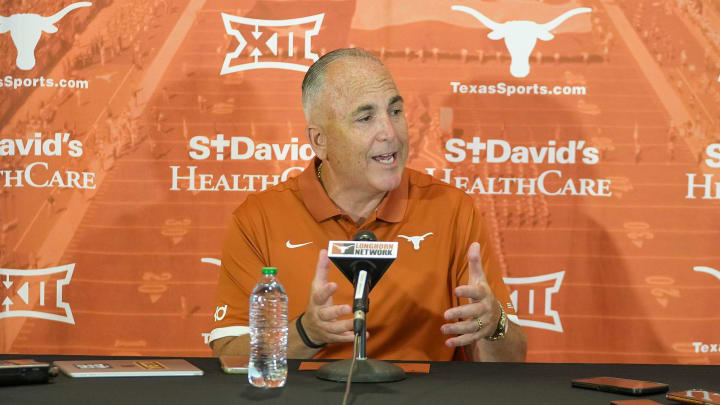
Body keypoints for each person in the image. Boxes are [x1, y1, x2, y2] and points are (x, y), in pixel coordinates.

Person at [210, 48, 527, 362]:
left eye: (396, 111)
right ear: (320, 141)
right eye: (366, 117)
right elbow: (230, 356)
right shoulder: (258, 219)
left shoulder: (452, 208)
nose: (390, 133)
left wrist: (494, 322)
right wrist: (306, 332)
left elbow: (510, 364)